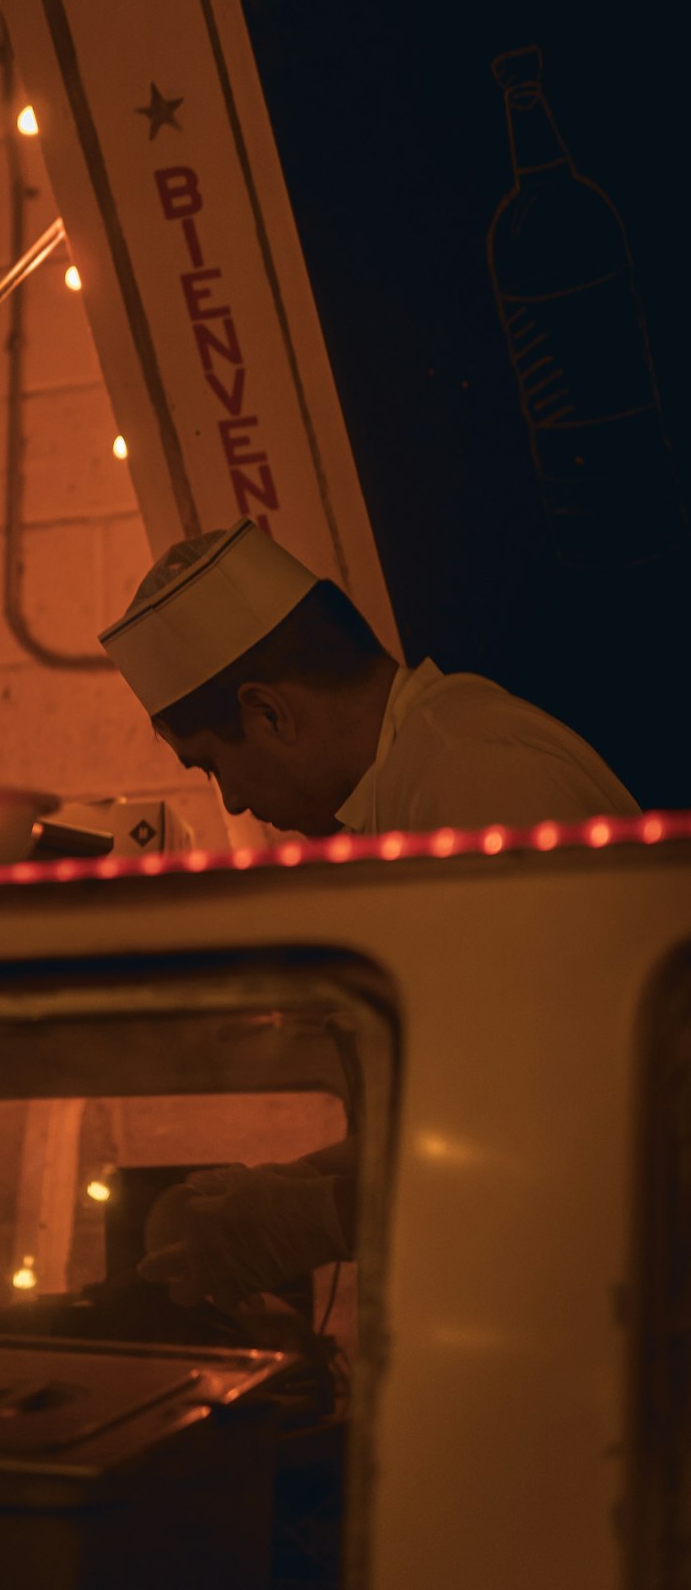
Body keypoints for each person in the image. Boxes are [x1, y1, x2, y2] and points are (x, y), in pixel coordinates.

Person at [98, 517, 640, 1310]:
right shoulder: (420, 781)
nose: (237, 798)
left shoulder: (480, 783)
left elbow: (579, 1133)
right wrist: (301, 1181)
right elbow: (482, 1109)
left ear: (270, 713)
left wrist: (320, 1218)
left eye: (214, 765)